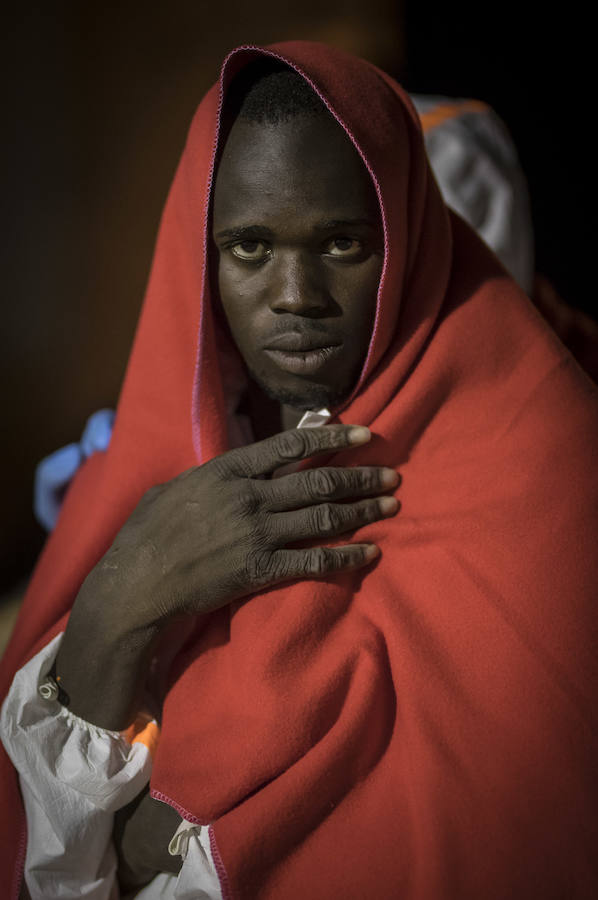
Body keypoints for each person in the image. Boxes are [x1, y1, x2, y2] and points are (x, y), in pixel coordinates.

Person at [1, 41, 597, 900]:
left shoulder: (544, 474)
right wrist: (118, 605)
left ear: (408, 236)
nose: (295, 294)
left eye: (344, 243)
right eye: (248, 247)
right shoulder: (132, 489)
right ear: (197, 257)